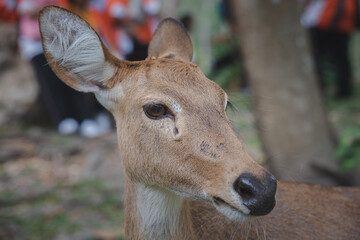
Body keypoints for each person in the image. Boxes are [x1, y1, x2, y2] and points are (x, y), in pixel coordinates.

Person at [18, 0, 109, 137]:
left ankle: (85, 118)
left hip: (61, 40)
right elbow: (24, 11)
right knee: (50, 84)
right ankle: (64, 120)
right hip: (36, 44)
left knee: (73, 80)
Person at [301, 0, 358, 98]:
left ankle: (322, 89)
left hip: (324, 24)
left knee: (318, 58)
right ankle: (344, 92)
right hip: (343, 25)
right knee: (341, 60)